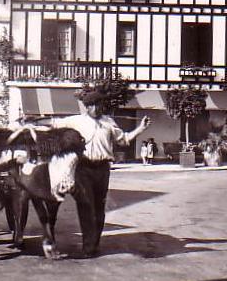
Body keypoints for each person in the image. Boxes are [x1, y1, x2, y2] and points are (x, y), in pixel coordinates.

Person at [49, 89, 151, 257]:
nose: (95, 108)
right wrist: (31, 122)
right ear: (86, 107)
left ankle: (94, 243)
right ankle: (88, 247)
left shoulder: (109, 122)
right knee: (86, 205)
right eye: (91, 105)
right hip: (83, 168)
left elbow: (123, 140)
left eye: (98, 104)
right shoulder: (76, 121)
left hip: (103, 169)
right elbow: (55, 123)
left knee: (99, 207)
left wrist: (140, 129)